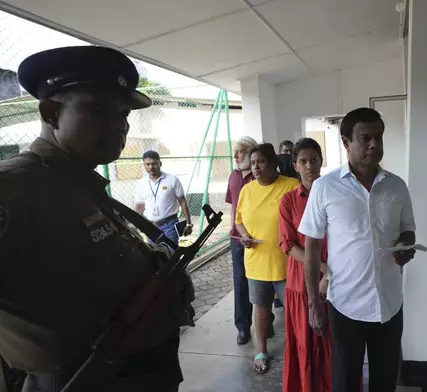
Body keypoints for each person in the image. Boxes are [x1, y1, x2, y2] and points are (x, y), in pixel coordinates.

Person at [0, 46, 192, 391]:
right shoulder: (16, 188)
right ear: (51, 113)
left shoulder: (76, 181)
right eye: (99, 109)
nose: (119, 124)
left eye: (123, 114)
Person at [299, 108, 417, 392]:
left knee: (385, 380)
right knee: (345, 382)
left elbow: (409, 230)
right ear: (345, 142)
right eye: (365, 138)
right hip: (346, 305)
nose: (374, 145)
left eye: (378, 137)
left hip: (389, 304)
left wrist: (405, 245)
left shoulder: (396, 186)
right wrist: (314, 304)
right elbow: (312, 247)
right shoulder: (325, 188)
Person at [235, 143, 299, 374]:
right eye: (253, 163)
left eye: (261, 162)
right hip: (257, 261)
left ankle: (297, 350)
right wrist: (244, 236)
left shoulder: (290, 186)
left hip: (287, 262)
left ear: (273, 164)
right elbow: (239, 219)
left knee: (294, 311)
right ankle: (261, 350)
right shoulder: (246, 190)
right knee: (260, 308)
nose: (256, 167)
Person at [279, 138, 332, 392]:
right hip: (301, 284)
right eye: (303, 161)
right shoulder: (288, 201)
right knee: (304, 343)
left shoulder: (334, 195)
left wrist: (331, 274)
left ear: (322, 161)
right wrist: (324, 269)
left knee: (335, 345)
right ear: (295, 165)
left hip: (337, 282)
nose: (309, 165)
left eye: (313, 159)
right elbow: (288, 244)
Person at [225, 136, 260, 345]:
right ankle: (243, 327)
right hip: (238, 239)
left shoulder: (260, 176)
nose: (236, 156)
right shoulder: (234, 175)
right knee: (240, 281)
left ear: (250, 152)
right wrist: (234, 230)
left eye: (240, 151)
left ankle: (266, 319)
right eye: (235, 151)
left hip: (258, 239)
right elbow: (233, 206)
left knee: (262, 281)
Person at [134, 150, 193, 250]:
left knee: (172, 254)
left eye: (154, 164)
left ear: (160, 163)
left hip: (170, 225)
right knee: (156, 255)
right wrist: (135, 226)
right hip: (150, 226)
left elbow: (182, 201)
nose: (151, 167)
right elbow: (139, 207)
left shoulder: (172, 179)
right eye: (147, 164)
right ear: (144, 165)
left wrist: (188, 223)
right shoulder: (141, 183)